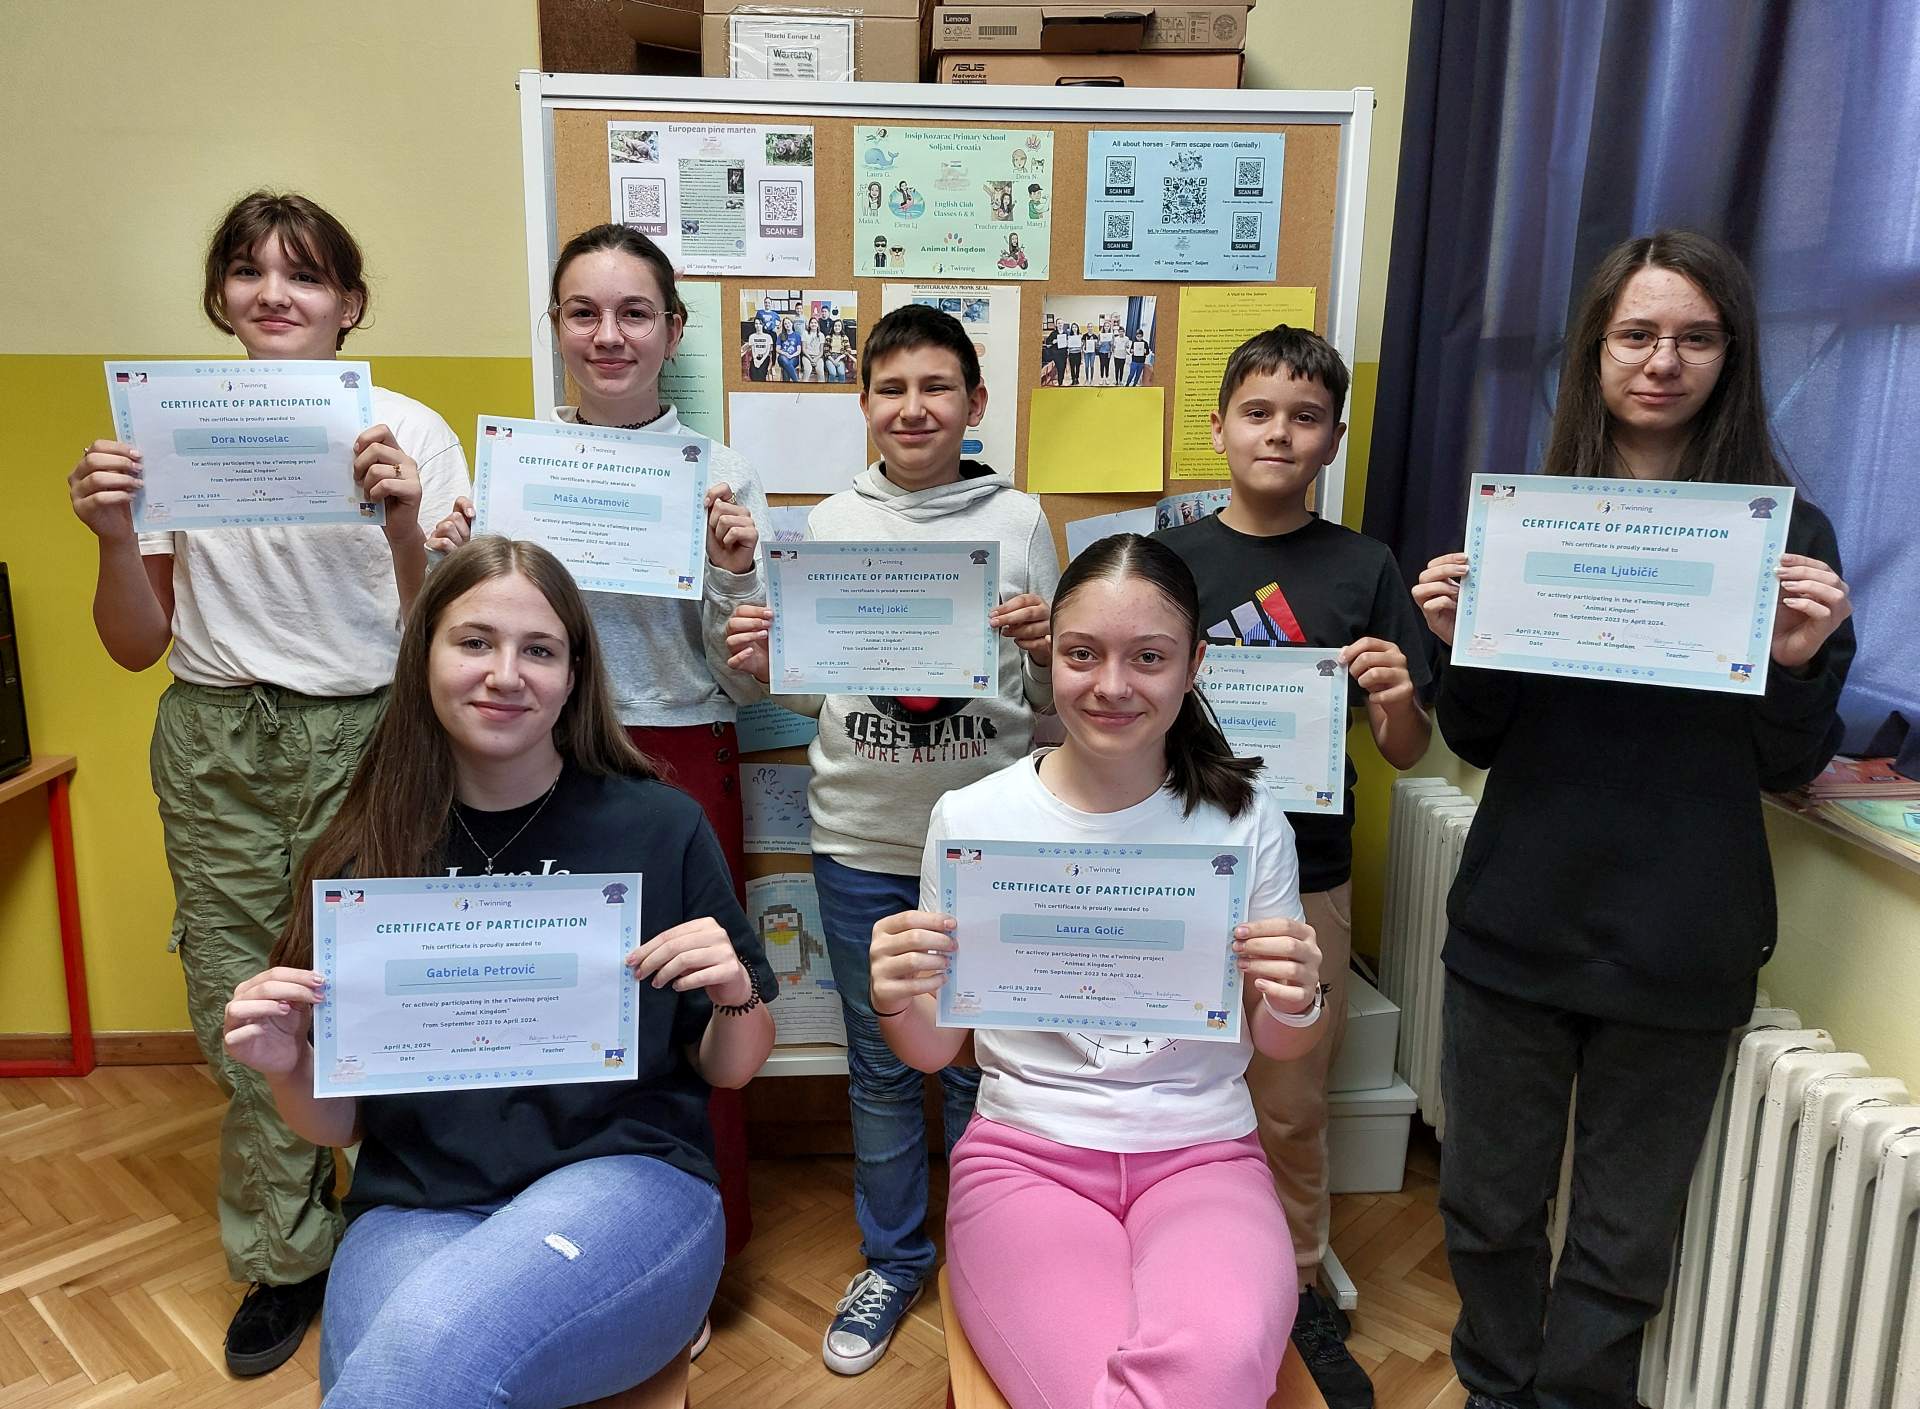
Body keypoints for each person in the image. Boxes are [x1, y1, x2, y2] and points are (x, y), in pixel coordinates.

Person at [1412, 230, 1855, 1409]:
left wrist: (1798, 666)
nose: (1664, 361)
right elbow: (1478, 736)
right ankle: (1494, 1388)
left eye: (1696, 337)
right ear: (1595, 350)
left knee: (1624, 1234)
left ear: (1732, 355)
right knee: (1486, 1203)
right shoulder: (1528, 517)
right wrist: (1460, 644)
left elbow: (1788, 761)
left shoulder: (1790, 538)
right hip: (1517, 919)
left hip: (1682, 936)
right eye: (1638, 334)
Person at [222, 537, 778, 1407]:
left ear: (573, 674)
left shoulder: (658, 826)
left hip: (628, 1185)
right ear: (425, 656)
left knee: (416, 1358)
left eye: (539, 650)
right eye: (475, 641)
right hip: (415, 1205)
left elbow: (731, 1068)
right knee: (390, 1367)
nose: (506, 674)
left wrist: (734, 993)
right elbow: (340, 1124)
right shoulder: (362, 852)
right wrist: (288, 1062)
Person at [65, 190, 468, 1378]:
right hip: (218, 735)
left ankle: (398, 1216)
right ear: (220, 297)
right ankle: (287, 1253)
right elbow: (134, 643)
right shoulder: (165, 428)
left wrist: (402, 520)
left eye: (305, 275)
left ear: (350, 303)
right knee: (240, 996)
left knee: (385, 982)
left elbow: (438, 635)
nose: (275, 293)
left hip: (373, 727)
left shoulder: (411, 427)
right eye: (249, 272)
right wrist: (111, 531)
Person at [871, 533, 1327, 1409]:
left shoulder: (1245, 821)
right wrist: (894, 999)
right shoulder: (974, 817)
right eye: (1083, 654)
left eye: (1148, 657)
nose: (1112, 685)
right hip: (1025, 1157)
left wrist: (1298, 998)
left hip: (1203, 1157)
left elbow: (1280, 1043)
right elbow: (935, 1051)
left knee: (1209, 1373)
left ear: (1194, 666)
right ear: (1052, 656)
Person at [723, 304, 1059, 1376]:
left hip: (989, 844)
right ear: (863, 403)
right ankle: (895, 1255)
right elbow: (798, 692)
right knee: (877, 1062)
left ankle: (985, 1253)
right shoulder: (826, 524)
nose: (914, 408)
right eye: (892, 389)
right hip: (860, 837)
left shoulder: (1021, 521)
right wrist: (763, 661)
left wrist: (1045, 645)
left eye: (937, 387)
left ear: (975, 401)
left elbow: (1054, 697)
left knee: (977, 1066)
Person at [1155, 324, 1431, 1409]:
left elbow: (1404, 750)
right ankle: (1186, 1261)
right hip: (1177, 861)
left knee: (1291, 1097)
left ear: (1334, 438)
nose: (1279, 432)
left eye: (1305, 416)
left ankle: (1301, 1278)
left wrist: (1396, 697)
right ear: (1218, 425)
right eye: (1258, 411)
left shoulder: (1365, 567)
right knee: (1173, 1079)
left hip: (1307, 870)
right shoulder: (1172, 560)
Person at [777, 314, 803, 384]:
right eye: (785, 324)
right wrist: (785, 353)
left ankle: (786, 387)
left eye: (788, 323)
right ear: (784, 326)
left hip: (794, 358)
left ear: (792, 323)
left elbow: (799, 351)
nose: (787, 325)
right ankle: (796, 382)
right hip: (783, 357)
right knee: (784, 359)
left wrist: (791, 356)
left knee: (786, 367)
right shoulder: (781, 335)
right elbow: (777, 349)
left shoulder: (797, 335)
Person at [802, 314, 827, 383]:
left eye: (815, 323)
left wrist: (816, 359)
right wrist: (811, 359)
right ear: (809, 324)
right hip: (807, 356)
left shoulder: (821, 335)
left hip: (818, 357)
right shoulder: (805, 333)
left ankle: (822, 388)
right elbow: (803, 349)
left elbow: (821, 351)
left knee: (820, 371)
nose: (813, 324)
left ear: (818, 325)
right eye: (812, 323)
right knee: (807, 370)